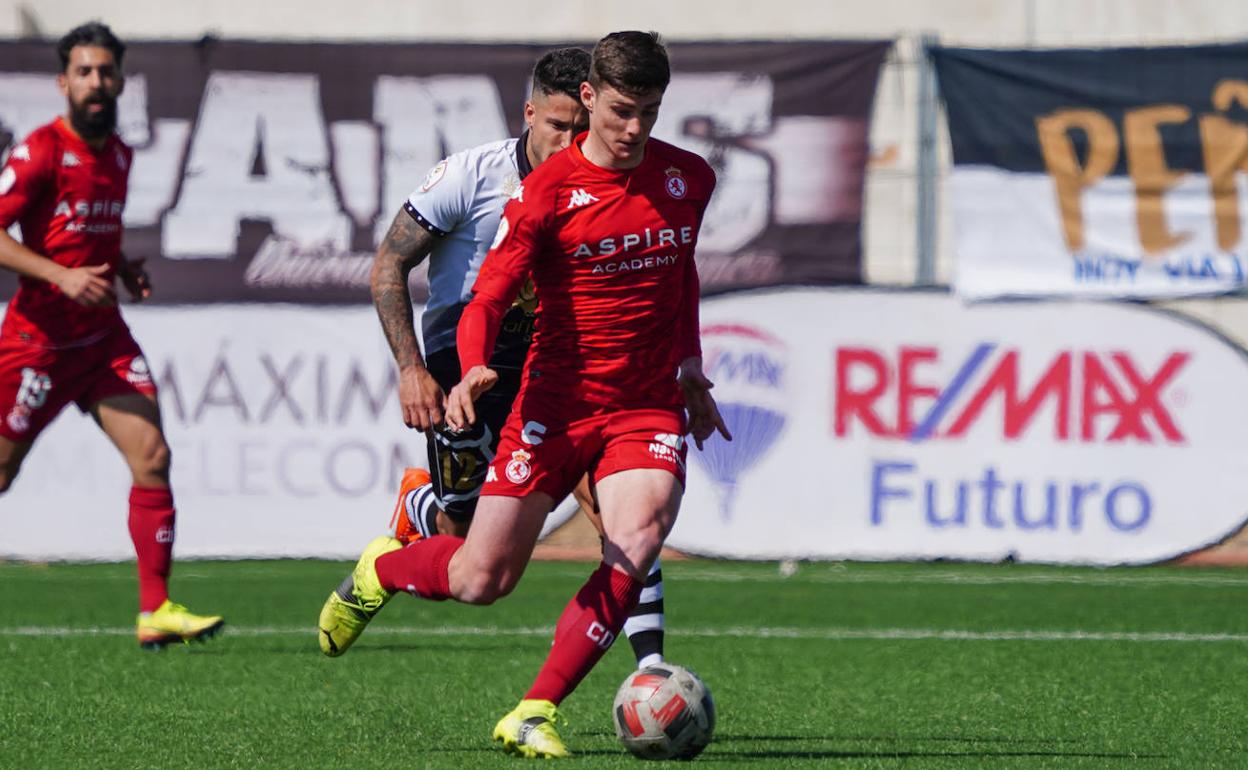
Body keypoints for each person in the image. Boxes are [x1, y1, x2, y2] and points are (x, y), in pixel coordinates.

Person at [318, 31, 730, 758]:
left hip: (643, 405)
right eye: (622, 111)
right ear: (590, 97)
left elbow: (681, 273)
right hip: (552, 403)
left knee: (636, 536)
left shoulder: (687, 179)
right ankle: (382, 567)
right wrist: (471, 365)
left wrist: (690, 366)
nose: (634, 130)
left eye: (651, 112)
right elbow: (486, 296)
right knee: (481, 577)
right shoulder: (544, 193)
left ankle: (535, 710)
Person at [346, 47, 666, 667]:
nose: (572, 140)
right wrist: (412, 368)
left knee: (622, 515)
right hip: (467, 367)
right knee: (461, 542)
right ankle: (418, 510)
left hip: (560, 371)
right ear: (529, 114)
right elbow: (389, 264)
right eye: (558, 126)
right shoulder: (470, 176)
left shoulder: (608, 185)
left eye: (583, 127)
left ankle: (652, 669)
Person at [0, 22, 223, 650]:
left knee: (152, 456)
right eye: (84, 71)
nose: (96, 82)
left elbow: (86, 232)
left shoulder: (118, 153)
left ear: (120, 80)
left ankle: (156, 611)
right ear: (64, 81)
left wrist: (120, 265)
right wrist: (59, 277)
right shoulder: (40, 151)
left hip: (101, 340)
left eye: (105, 71)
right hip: (37, 342)